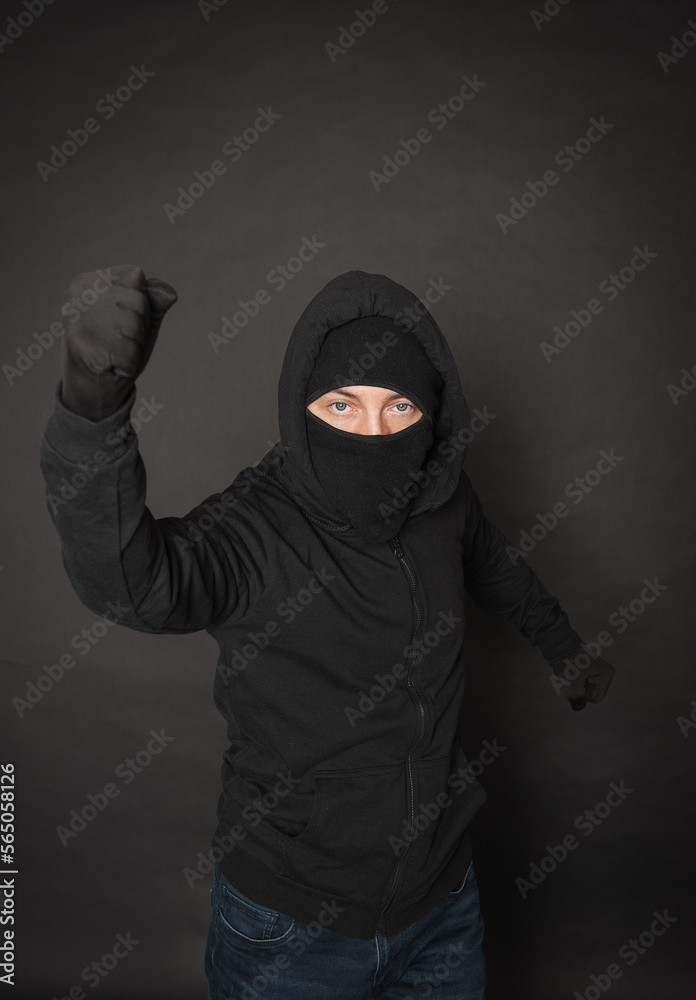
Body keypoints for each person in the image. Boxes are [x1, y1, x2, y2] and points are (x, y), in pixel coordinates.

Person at [40, 265, 615, 999]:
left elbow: (499, 570)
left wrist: (562, 645)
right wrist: (93, 405)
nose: (370, 433)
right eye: (341, 405)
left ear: (431, 415)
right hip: (289, 926)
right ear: (301, 405)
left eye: (396, 408)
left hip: (442, 906)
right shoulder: (254, 526)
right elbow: (132, 585)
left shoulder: (441, 498)